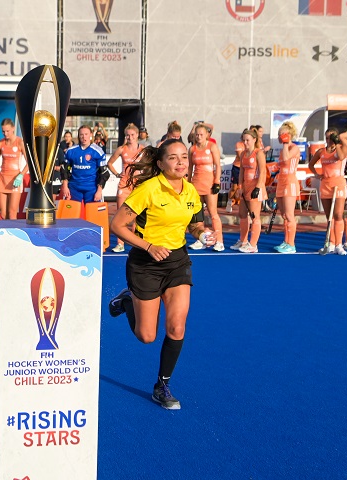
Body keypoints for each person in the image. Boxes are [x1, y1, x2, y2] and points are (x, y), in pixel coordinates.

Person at [107, 138, 214, 410]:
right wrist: (149, 246)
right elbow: (117, 225)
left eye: (184, 158)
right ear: (160, 163)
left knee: (177, 327)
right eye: (173, 158)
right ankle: (127, 300)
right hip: (145, 263)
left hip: (177, 262)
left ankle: (162, 385)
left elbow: (195, 224)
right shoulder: (148, 190)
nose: (180, 162)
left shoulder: (190, 191)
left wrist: (204, 234)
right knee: (147, 336)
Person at [308, 128, 347, 255]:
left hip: (338, 185)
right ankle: (330, 243)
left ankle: (339, 244)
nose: (329, 140)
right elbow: (311, 164)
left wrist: (337, 143)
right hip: (325, 185)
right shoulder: (321, 152)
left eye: (331, 138)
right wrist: (317, 175)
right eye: (327, 138)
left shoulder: (341, 149)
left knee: (337, 215)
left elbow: (341, 157)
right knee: (329, 217)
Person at [187, 123, 224, 251]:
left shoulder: (212, 146)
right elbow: (190, 167)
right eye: (197, 134)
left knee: (213, 213)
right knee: (197, 214)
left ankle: (219, 241)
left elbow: (218, 165)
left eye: (201, 134)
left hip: (209, 184)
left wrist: (217, 182)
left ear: (207, 135)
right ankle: (200, 239)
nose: (199, 137)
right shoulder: (192, 149)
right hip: (196, 184)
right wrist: (188, 183)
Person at [107, 123, 144, 252]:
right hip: (124, 184)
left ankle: (136, 241)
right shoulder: (122, 149)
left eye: (132, 135)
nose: (130, 137)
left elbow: (150, 165)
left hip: (138, 185)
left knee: (137, 215)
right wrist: (117, 174)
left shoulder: (143, 150)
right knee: (120, 214)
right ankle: (120, 243)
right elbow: (110, 163)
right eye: (127, 135)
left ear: (137, 135)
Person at [231, 128, 266, 253]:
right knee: (242, 214)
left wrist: (258, 187)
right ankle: (243, 240)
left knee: (255, 216)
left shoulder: (258, 153)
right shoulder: (243, 154)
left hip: (255, 187)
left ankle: (253, 244)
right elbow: (241, 172)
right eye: (244, 140)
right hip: (245, 187)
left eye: (248, 140)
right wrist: (239, 187)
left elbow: (263, 172)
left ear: (254, 140)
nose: (245, 143)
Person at [272, 121, 302, 254]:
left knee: (290, 214)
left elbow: (286, 158)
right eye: (279, 135)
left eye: (282, 134)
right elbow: (281, 165)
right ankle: (286, 241)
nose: (280, 137)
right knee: (284, 215)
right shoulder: (283, 149)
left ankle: (292, 244)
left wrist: (285, 143)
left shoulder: (294, 147)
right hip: (282, 182)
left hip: (290, 182)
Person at [60, 125, 108, 204]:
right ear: (78, 136)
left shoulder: (98, 151)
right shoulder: (71, 151)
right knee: (71, 215)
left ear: (91, 135)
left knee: (92, 215)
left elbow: (104, 173)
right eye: (81, 134)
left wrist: (99, 191)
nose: (84, 137)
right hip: (74, 188)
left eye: (86, 134)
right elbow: (64, 169)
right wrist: (65, 187)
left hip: (92, 189)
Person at [0, 118, 28, 219]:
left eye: (7, 131)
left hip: (15, 180)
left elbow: (29, 162)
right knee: (3, 214)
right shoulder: (0, 143)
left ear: (13, 128)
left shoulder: (20, 142)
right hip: (2, 179)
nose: (5, 134)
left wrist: (21, 175)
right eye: (3, 131)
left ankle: (12, 234)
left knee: (12, 213)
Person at [227, 139, 245, 213]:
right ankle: (229, 203)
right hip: (237, 167)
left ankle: (244, 206)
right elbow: (240, 156)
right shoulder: (239, 144)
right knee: (234, 187)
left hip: (245, 167)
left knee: (245, 187)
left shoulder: (252, 145)